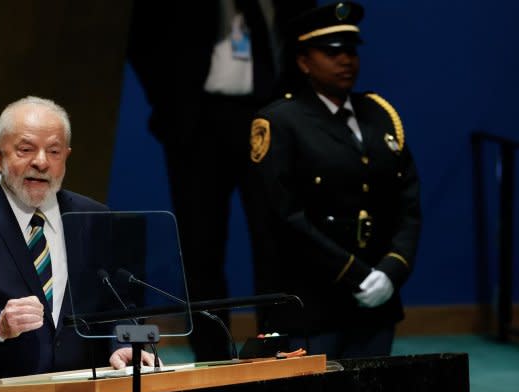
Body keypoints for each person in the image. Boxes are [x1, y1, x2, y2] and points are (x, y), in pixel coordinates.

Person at [0, 96, 156, 390]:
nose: (41, 162)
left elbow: (124, 303)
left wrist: (128, 343)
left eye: (53, 151)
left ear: (66, 156)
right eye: (26, 150)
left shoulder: (95, 217)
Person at [126, 0, 315, 362]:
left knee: (277, 242)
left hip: (271, 118)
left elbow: (302, 40)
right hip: (198, 124)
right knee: (200, 251)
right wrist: (169, 102)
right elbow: (143, 40)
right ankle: (212, 358)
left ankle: (278, 349)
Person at [244, 2, 422, 359]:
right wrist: (354, 273)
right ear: (304, 61)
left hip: (376, 299)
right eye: (331, 52)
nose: (346, 61)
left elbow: (408, 204)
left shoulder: (380, 115)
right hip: (314, 303)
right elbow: (285, 218)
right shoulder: (281, 122)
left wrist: (391, 270)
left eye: (351, 51)